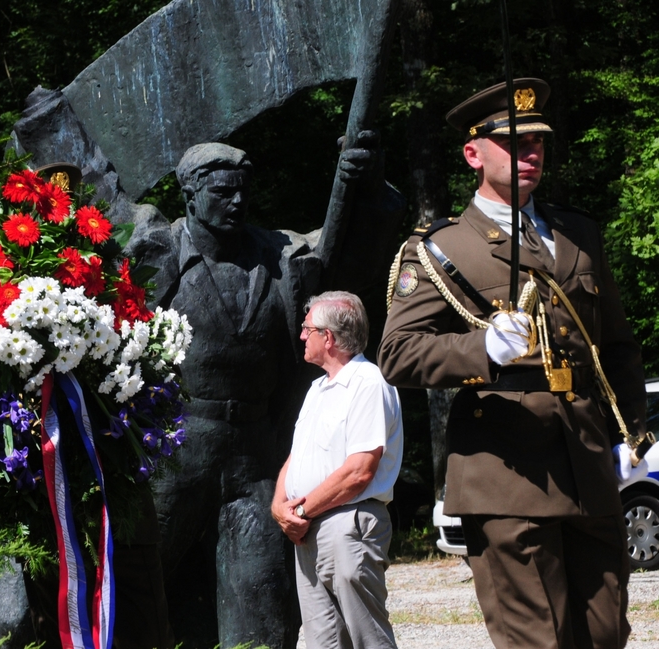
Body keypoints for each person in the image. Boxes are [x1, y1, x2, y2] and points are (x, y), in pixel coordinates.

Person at [378, 78, 648, 649]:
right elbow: (397, 352)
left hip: (588, 463)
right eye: (515, 144)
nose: (531, 156)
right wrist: (482, 352)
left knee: (605, 633)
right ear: (473, 154)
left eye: (539, 145)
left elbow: (618, 348)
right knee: (536, 639)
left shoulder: (578, 235)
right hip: (506, 470)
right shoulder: (439, 248)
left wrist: (630, 435)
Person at [123, 136, 404, 648]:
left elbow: (344, 249)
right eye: (222, 192)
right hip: (174, 453)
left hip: (254, 457)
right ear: (190, 196)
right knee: (138, 589)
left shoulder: (278, 254)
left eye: (242, 192)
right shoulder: (157, 254)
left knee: (262, 602)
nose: (236, 203)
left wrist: (364, 186)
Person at [272, 291, 402, 649]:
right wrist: (279, 507)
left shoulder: (368, 382)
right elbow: (296, 457)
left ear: (327, 337)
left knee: (368, 639)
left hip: (349, 525)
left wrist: (298, 510)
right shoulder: (317, 389)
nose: (301, 335)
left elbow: (358, 471)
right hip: (308, 529)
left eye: (307, 328)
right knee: (322, 643)